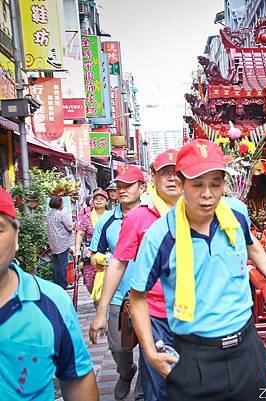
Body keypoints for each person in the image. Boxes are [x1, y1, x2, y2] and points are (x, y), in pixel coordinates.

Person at [128, 139, 266, 401]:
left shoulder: (235, 213)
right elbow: (137, 296)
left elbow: (250, 243)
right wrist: (150, 351)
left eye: (215, 184)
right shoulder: (161, 236)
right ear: (181, 183)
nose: (208, 194)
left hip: (246, 350)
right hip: (194, 357)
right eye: (198, 184)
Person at [90, 149, 181, 401]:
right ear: (153, 178)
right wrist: (100, 313)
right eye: (165, 173)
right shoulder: (139, 217)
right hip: (154, 315)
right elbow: (117, 264)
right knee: (158, 381)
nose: (172, 178)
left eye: (177, 172)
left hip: (195, 316)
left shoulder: (202, 212)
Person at [0, 187, 99, 400]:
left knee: (58, 270)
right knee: (61, 269)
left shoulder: (51, 303)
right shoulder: (63, 215)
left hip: (55, 247)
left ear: (16, 236)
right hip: (63, 246)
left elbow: (77, 380)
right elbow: (72, 228)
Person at [90, 166, 145, 400]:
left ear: (142, 188)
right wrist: (99, 260)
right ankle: (125, 373)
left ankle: (143, 391)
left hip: (148, 296)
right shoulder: (107, 221)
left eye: (128, 185)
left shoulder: (153, 216)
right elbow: (94, 254)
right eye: (119, 186)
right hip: (117, 296)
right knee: (119, 349)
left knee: (149, 347)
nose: (121, 190)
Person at [74, 188, 109, 293]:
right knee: (90, 282)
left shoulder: (111, 216)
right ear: (92, 202)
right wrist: (77, 250)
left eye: (101, 198)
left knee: (109, 280)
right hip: (91, 253)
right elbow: (80, 233)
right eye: (96, 199)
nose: (98, 200)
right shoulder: (86, 218)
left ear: (106, 201)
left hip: (108, 252)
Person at [46, 195, 74, 289]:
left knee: (56, 265)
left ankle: (57, 284)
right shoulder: (61, 214)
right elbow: (69, 228)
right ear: (59, 204)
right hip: (62, 243)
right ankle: (63, 284)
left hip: (53, 243)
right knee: (62, 265)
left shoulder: (49, 214)